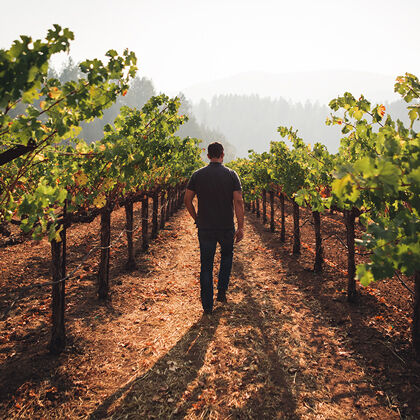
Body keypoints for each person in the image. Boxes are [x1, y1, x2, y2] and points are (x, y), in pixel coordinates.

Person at [184, 142, 244, 315]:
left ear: (208, 156)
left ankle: (207, 306)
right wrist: (240, 227)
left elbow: (187, 200)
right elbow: (238, 201)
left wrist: (196, 218)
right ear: (222, 155)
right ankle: (222, 292)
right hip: (226, 227)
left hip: (206, 227)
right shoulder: (232, 175)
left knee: (206, 265)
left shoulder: (197, 175)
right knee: (226, 258)